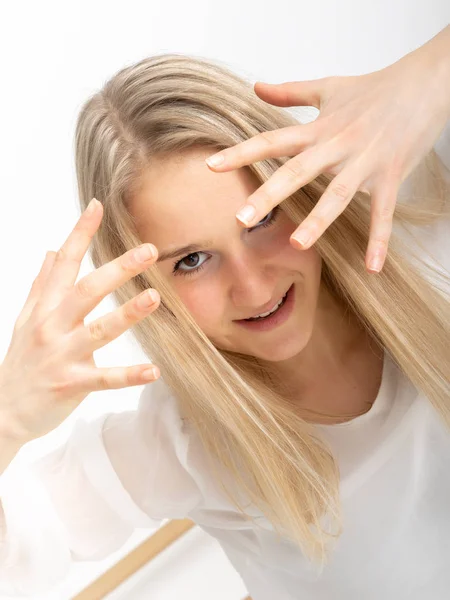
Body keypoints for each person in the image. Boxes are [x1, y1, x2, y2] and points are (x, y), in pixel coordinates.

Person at [0, 24, 449, 599]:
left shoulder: (420, 223)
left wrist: (431, 68)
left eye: (262, 218)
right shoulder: (182, 443)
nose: (252, 285)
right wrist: (9, 418)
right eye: (191, 260)